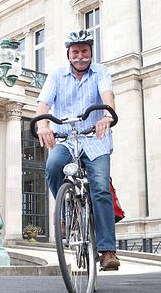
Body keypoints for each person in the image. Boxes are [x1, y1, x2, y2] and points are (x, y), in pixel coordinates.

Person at [35, 30, 120, 271]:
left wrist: (106, 115)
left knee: (101, 188)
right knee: (52, 167)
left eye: (84, 51)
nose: (80, 56)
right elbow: (43, 104)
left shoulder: (101, 72)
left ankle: (107, 250)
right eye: (76, 52)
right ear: (69, 55)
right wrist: (43, 124)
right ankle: (65, 215)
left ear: (91, 52)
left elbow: (108, 95)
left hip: (95, 138)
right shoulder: (57, 75)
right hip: (65, 138)